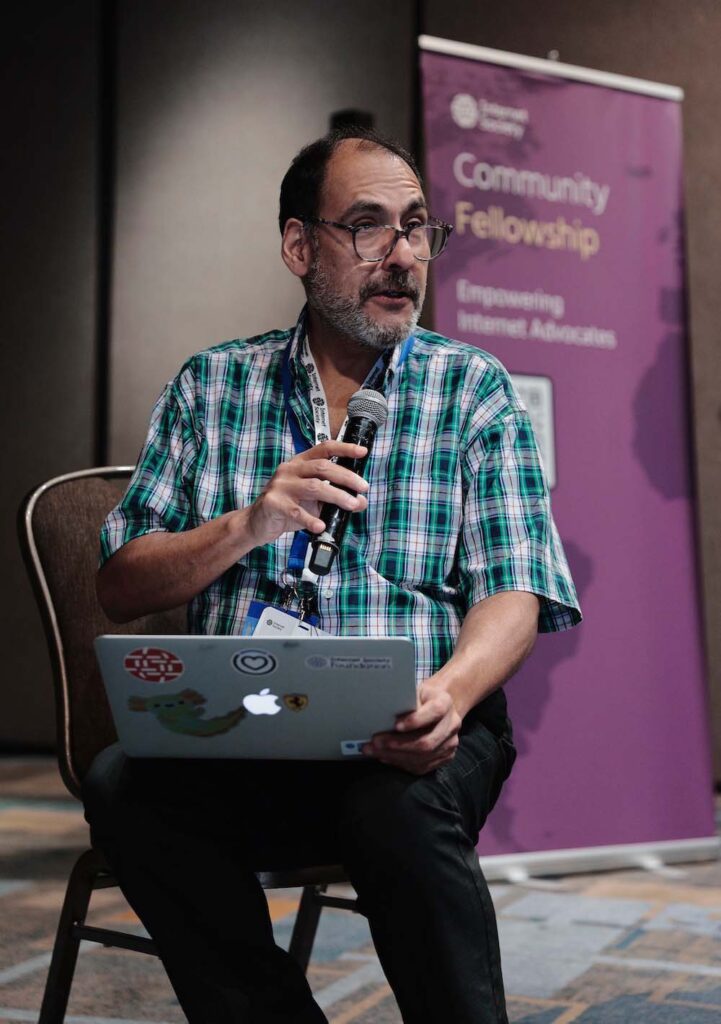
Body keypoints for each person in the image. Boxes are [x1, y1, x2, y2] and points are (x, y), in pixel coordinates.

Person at [85, 125, 581, 1024]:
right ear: (298, 245)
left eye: (417, 227)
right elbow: (121, 584)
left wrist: (453, 696)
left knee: (390, 814)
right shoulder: (211, 387)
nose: (401, 256)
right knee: (128, 788)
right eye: (367, 226)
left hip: (418, 730)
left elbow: (516, 586)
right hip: (248, 731)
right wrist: (248, 524)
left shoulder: (473, 388)